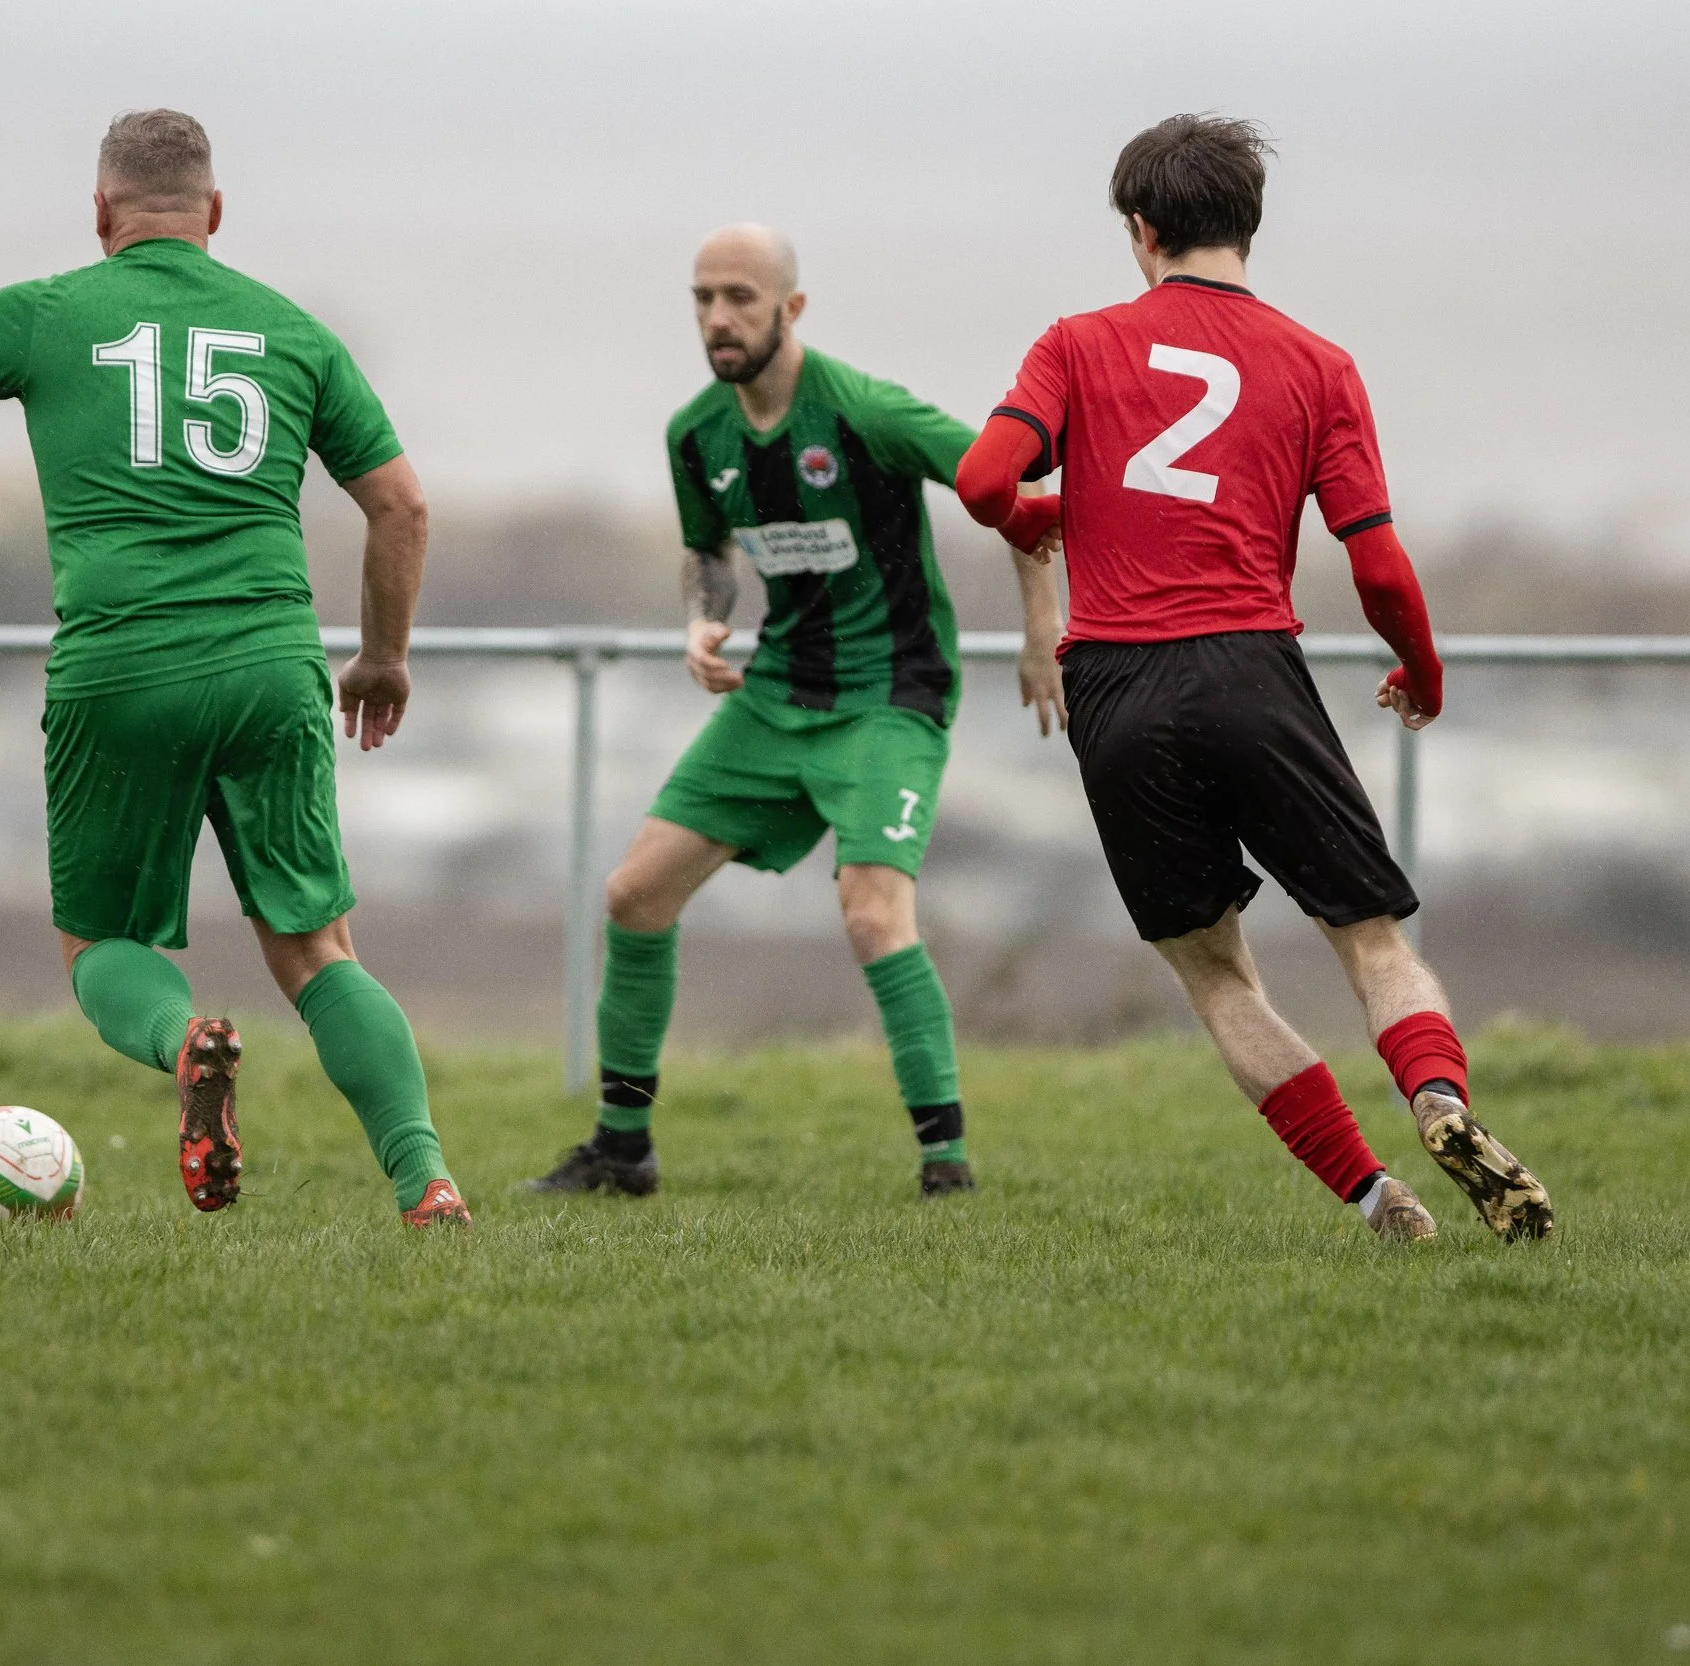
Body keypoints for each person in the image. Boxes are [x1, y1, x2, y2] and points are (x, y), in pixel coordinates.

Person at [0, 109, 467, 1226]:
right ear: (215, 215)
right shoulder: (292, 329)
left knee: (101, 943)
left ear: (99, 213)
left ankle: (184, 1043)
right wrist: (382, 657)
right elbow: (402, 505)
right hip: (271, 666)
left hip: (119, 667)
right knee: (316, 945)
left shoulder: (44, 313)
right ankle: (425, 1181)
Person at [956, 115, 1552, 1243]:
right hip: (1249, 672)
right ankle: (1438, 1099)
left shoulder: (1075, 343)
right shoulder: (1320, 365)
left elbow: (984, 477)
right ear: (1248, 225)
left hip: (1116, 693)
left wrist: (1043, 511)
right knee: (1372, 942)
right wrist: (1419, 670)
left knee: (1218, 978)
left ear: (1139, 230)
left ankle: (1378, 1197)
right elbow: (1375, 560)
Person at [526, 224, 1065, 1201]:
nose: (718, 317)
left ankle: (946, 1166)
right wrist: (703, 624)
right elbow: (709, 556)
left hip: (889, 697)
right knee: (632, 896)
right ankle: (620, 1150)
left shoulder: (863, 412)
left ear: (792, 308)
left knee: (869, 910)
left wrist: (1041, 634)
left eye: (739, 296)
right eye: (701, 298)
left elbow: (1018, 494)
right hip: (775, 696)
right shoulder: (697, 433)